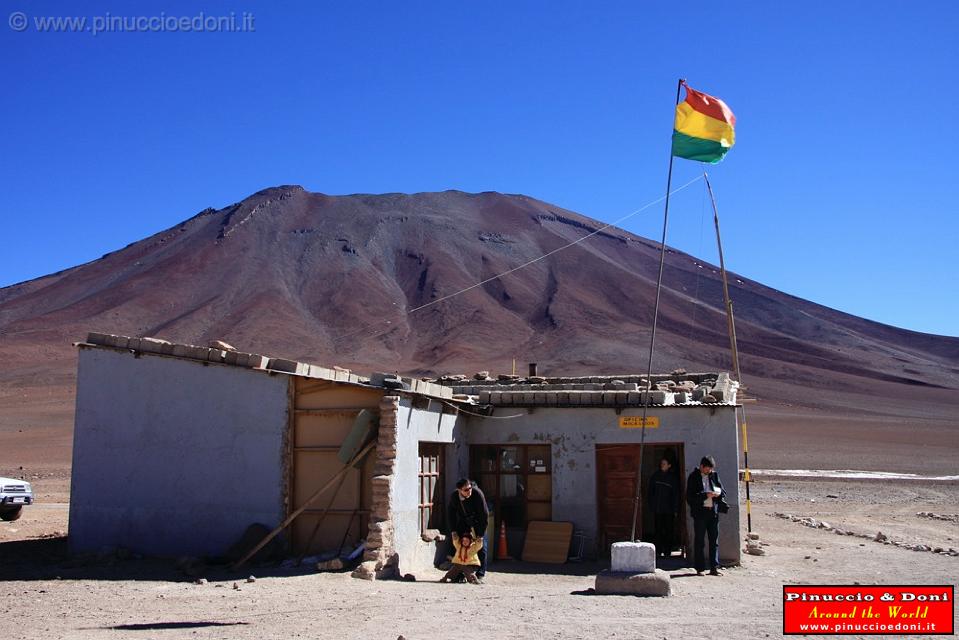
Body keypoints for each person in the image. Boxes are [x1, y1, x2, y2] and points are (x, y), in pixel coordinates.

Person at [686, 455, 726, 576]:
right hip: (700, 513)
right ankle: (700, 568)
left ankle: (714, 567)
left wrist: (717, 494)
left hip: (713, 512)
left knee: (714, 540)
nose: (709, 471)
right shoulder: (693, 477)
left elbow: (722, 491)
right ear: (702, 467)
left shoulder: (714, 476)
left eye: (711, 469)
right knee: (700, 541)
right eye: (707, 468)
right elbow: (690, 497)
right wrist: (705, 495)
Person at [446, 478, 489, 580]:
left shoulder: (477, 494)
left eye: (470, 488)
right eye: (465, 490)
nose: (469, 491)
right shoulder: (455, 497)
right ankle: (460, 573)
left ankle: (480, 573)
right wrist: (453, 531)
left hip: (477, 521)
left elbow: (484, 514)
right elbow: (450, 514)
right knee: (460, 546)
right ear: (459, 490)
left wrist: (481, 534)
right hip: (464, 521)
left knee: (481, 547)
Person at [648, 457, 679, 558]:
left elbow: (675, 495)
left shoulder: (672, 478)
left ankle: (668, 551)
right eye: (661, 463)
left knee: (669, 530)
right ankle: (658, 550)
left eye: (664, 463)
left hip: (669, 510)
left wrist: (675, 509)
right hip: (658, 508)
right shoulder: (655, 476)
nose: (662, 465)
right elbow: (650, 492)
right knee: (658, 530)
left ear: (669, 465)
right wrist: (652, 505)